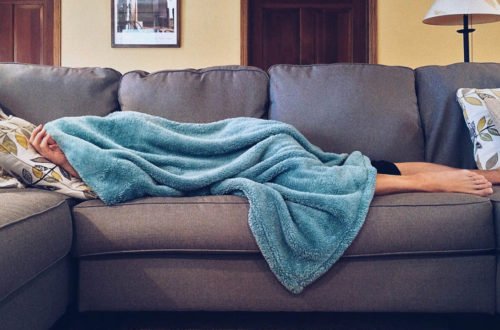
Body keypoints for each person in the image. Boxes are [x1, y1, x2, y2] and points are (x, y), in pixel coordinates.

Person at [29, 123, 495, 198]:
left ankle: (431, 183)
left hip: (256, 141)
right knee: (357, 166)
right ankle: (477, 175)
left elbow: (159, 138)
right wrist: (68, 162)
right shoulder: (74, 148)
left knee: (322, 177)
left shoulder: (86, 125)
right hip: (264, 144)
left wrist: (71, 152)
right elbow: (134, 175)